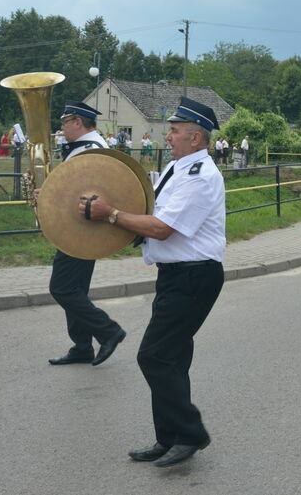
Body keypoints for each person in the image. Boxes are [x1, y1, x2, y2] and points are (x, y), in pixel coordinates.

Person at [84, 97, 225, 468]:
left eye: (176, 131)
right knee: (173, 358)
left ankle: (191, 433)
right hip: (178, 275)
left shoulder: (200, 176)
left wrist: (111, 215)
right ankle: (169, 438)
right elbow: (146, 207)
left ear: (196, 138)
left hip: (194, 275)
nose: (169, 136)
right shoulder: (177, 169)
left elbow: (162, 229)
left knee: (154, 355)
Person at [46, 101, 125, 368]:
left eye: (64, 123)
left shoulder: (89, 151)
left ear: (77, 122)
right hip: (78, 229)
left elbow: (88, 195)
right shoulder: (87, 149)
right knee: (75, 288)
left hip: (82, 231)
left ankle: (108, 330)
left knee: (62, 288)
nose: (62, 128)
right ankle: (81, 346)